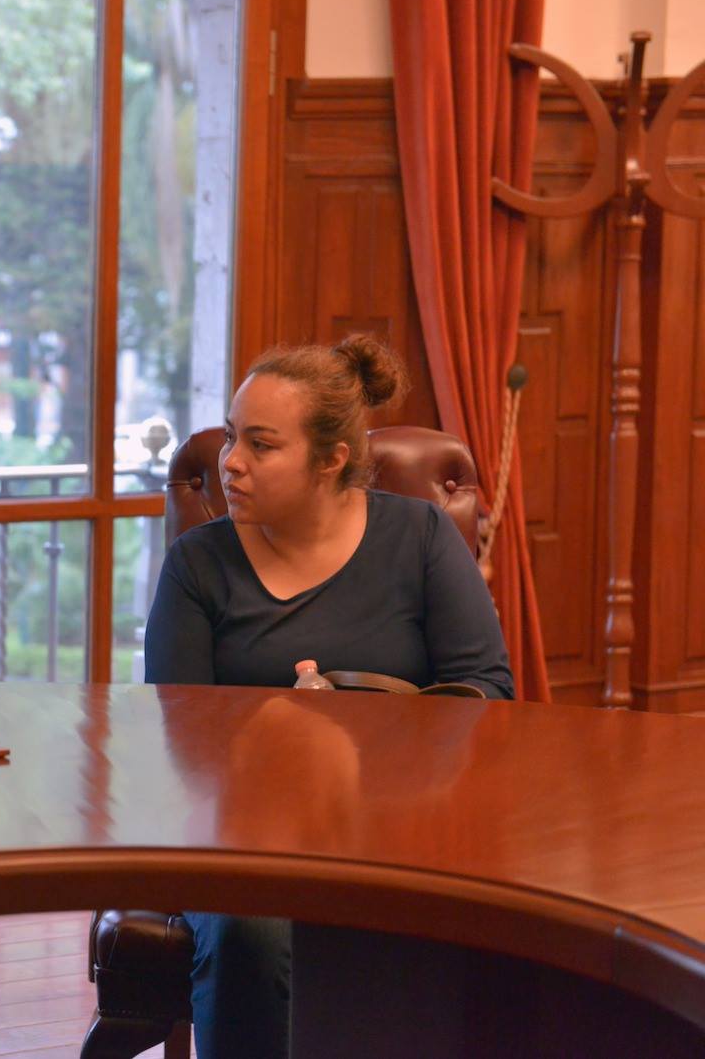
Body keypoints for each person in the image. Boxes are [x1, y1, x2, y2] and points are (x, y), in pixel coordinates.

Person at [143, 334, 514, 1059]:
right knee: (254, 928)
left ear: (331, 459)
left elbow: (487, 695)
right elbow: (178, 736)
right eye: (230, 437)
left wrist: (348, 726)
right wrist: (284, 731)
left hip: (398, 825)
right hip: (243, 838)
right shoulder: (198, 564)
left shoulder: (420, 536)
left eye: (261, 445)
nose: (231, 462)